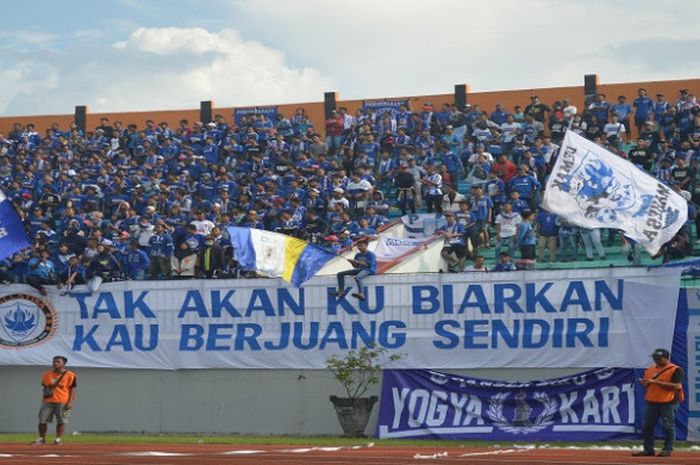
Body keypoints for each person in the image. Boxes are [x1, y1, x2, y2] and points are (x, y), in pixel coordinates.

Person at [632, 349, 685, 457]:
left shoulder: (675, 369)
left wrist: (655, 382)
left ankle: (667, 449)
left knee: (668, 426)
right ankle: (648, 449)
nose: (655, 360)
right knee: (647, 426)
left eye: (658, 358)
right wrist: (644, 383)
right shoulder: (650, 370)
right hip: (652, 401)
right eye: (654, 358)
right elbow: (648, 384)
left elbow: (677, 386)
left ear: (666, 358)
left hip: (668, 402)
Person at [34, 356, 77, 445]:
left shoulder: (70, 375)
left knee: (61, 421)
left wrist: (70, 402)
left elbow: (72, 389)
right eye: (54, 361)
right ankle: (42, 438)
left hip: (62, 400)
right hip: (47, 401)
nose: (55, 363)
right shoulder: (46, 374)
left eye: (58, 362)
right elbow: (45, 386)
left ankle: (58, 439)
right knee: (42, 420)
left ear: (63, 363)